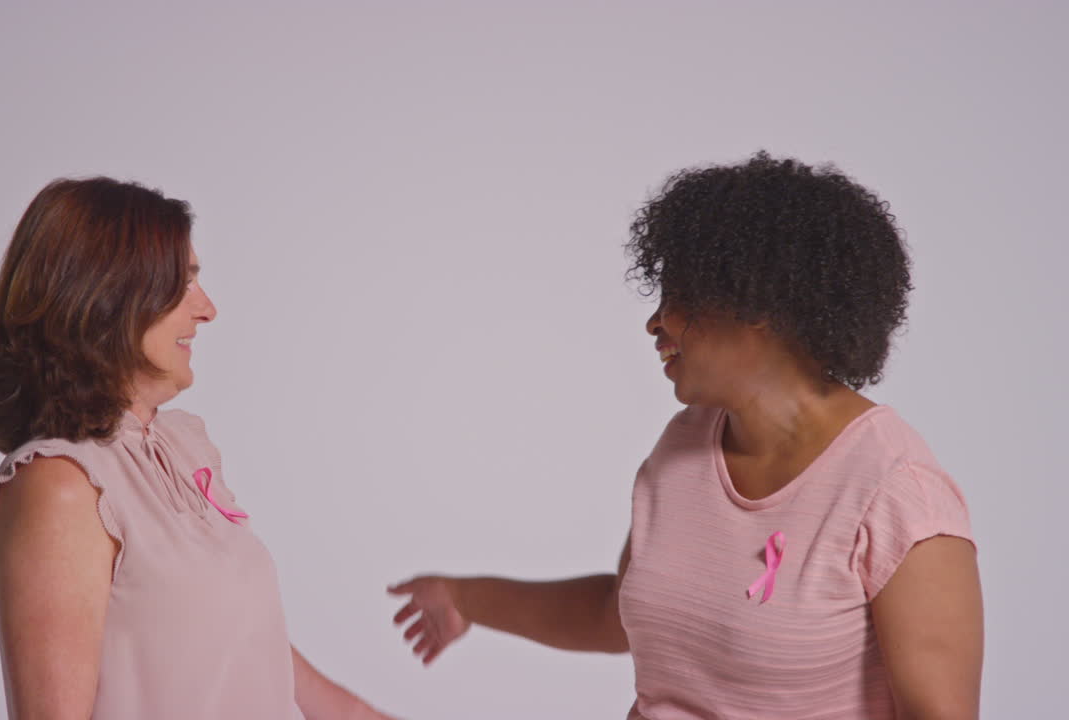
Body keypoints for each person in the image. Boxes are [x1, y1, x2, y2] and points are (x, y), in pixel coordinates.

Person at [390, 152, 983, 719]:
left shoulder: (897, 493)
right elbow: (613, 615)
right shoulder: (683, 448)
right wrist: (463, 596)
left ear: (760, 305)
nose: (655, 322)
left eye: (679, 298)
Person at [0, 177, 395, 720]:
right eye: (182, 283)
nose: (207, 309)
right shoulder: (61, 486)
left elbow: (246, 653)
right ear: (107, 297)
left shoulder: (180, 445)